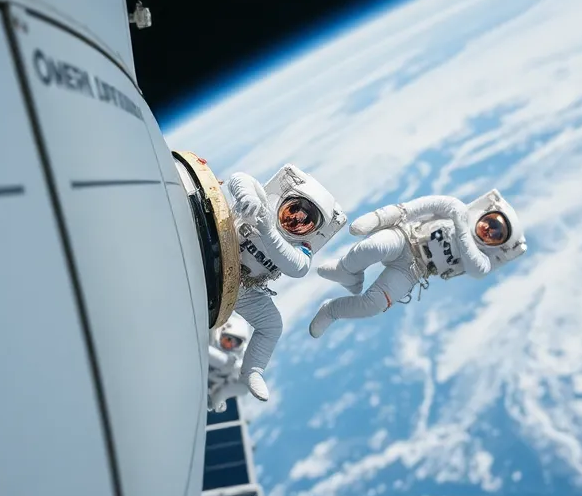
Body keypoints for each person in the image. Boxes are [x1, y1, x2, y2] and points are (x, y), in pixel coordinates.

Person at [309, 190, 528, 338]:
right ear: (485, 215)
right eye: (491, 223)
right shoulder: (456, 209)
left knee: (375, 304)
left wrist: (461, 228)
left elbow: (477, 269)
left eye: (496, 233)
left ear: (496, 244)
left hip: (412, 271)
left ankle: (332, 310)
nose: (489, 230)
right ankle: (346, 271)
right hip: (404, 238)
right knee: (372, 247)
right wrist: (382, 217)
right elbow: (417, 207)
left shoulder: (482, 261)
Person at [222, 164, 347, 402]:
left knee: (271, 326)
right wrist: (247, 197)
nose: (295, 219)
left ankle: (252, 370)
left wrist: (268, 229)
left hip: (243, 288)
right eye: (294, 209)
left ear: (313, 229)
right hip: (217, 253)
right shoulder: (264, 204)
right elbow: (239, 178)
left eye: (305, 221)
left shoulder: (303, 247)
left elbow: (298, 267)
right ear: (286, 200)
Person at [207, 313, 252, 413]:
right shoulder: (208, 334)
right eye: (228, 339)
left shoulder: (229, 366)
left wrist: (219, 399)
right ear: (221, 333)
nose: (230, 345)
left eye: (235, 343)